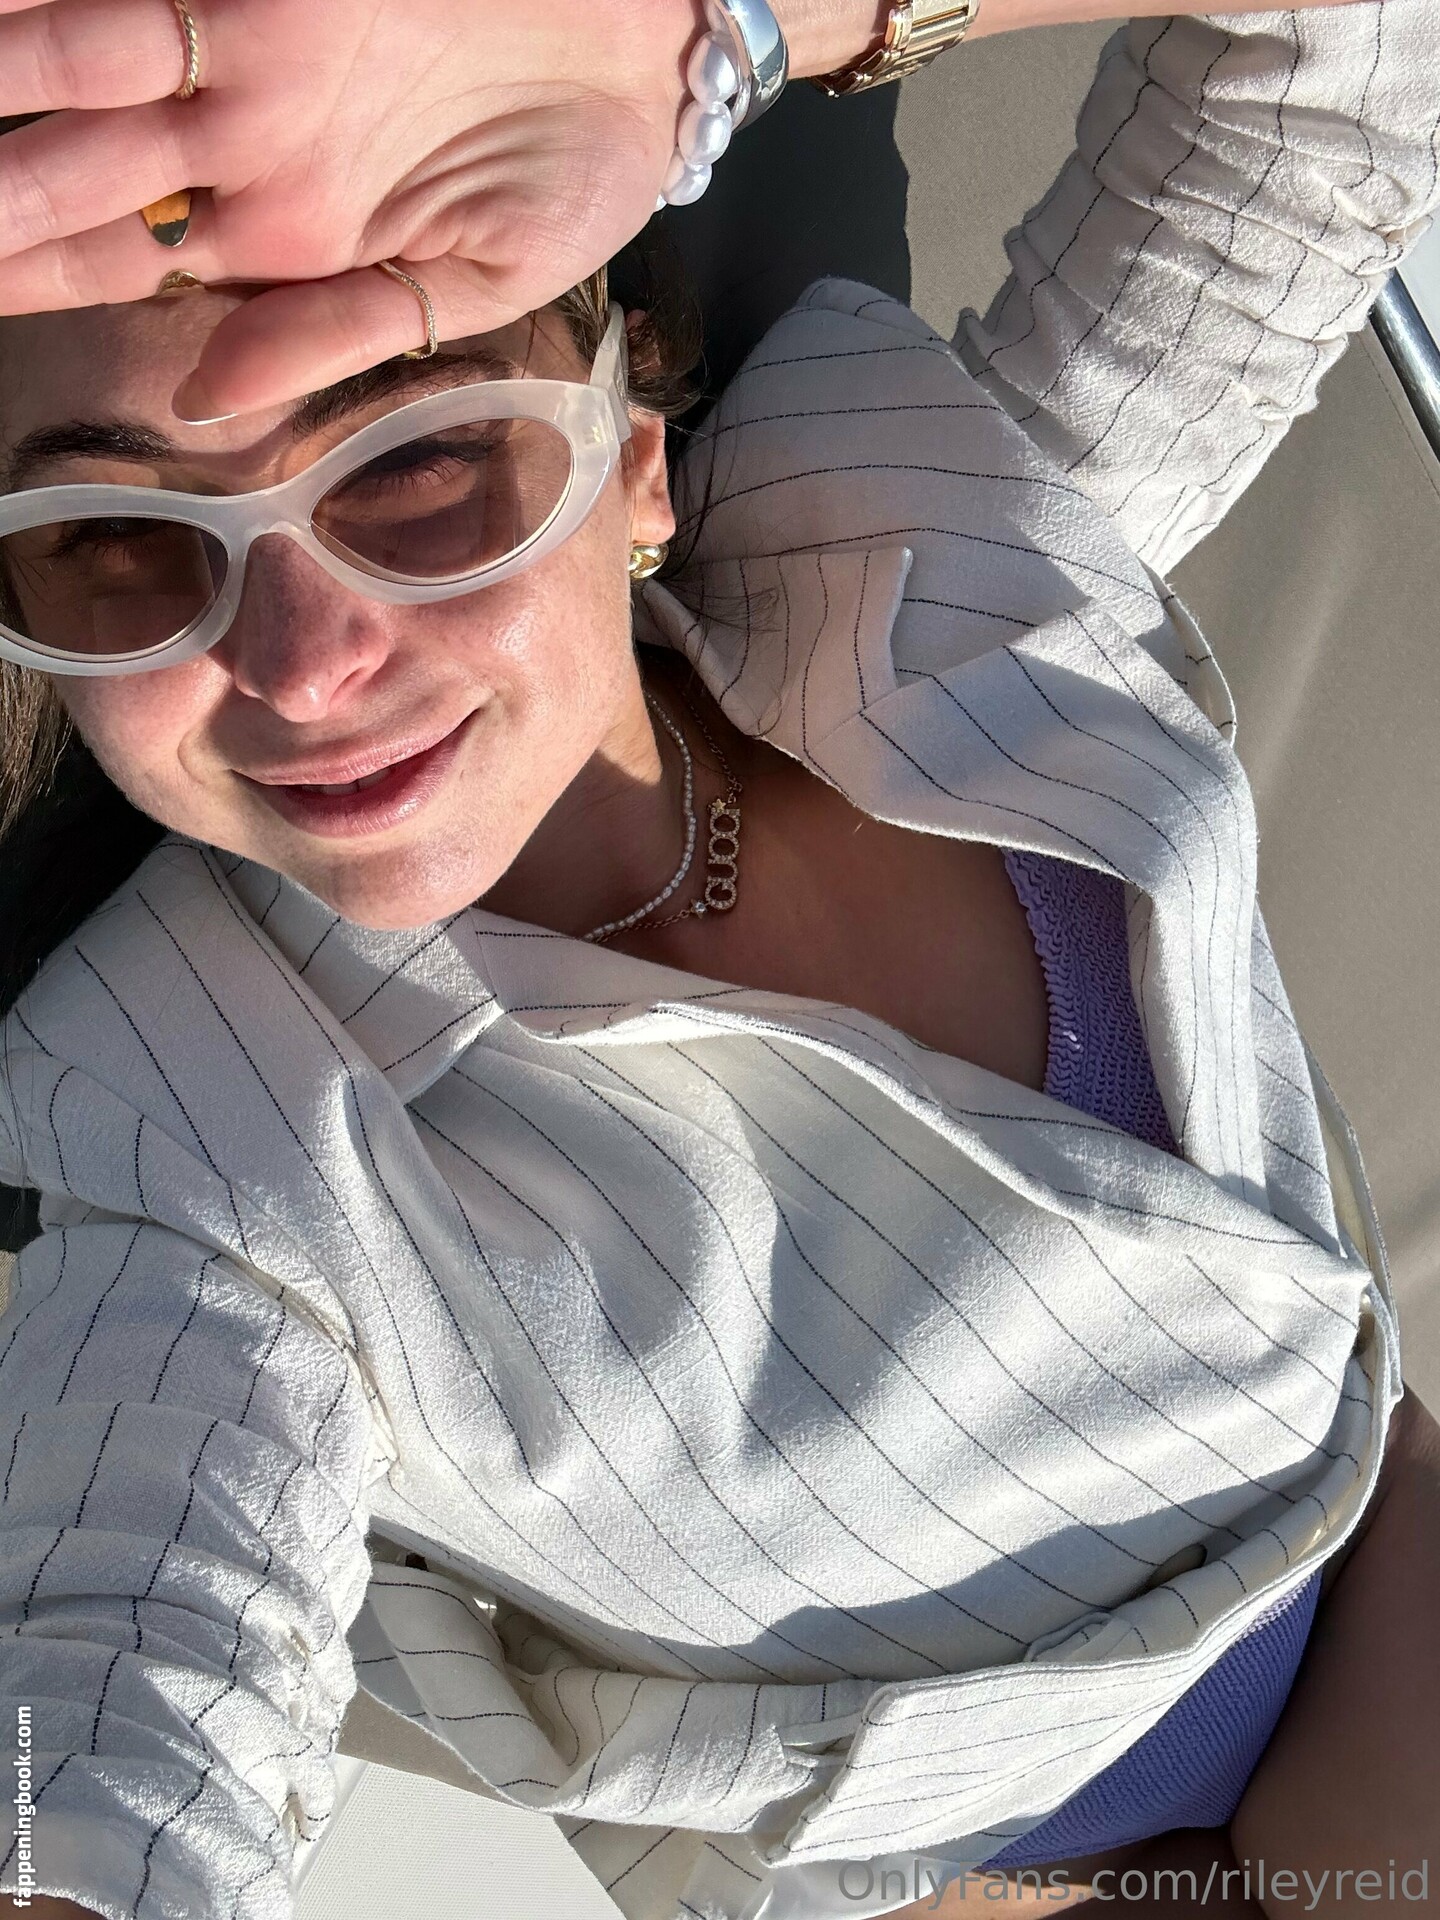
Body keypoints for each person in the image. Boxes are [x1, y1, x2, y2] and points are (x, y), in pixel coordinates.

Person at [0, 3, 1436, 1919]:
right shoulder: (188, 1122)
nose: (302, 663)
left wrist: (699, 31)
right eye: (111, 539)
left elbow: (1338, 58)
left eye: (420, 459)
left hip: (1375, 1528)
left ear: (636, 465)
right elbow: (120, 1695)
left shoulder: (937, 551)